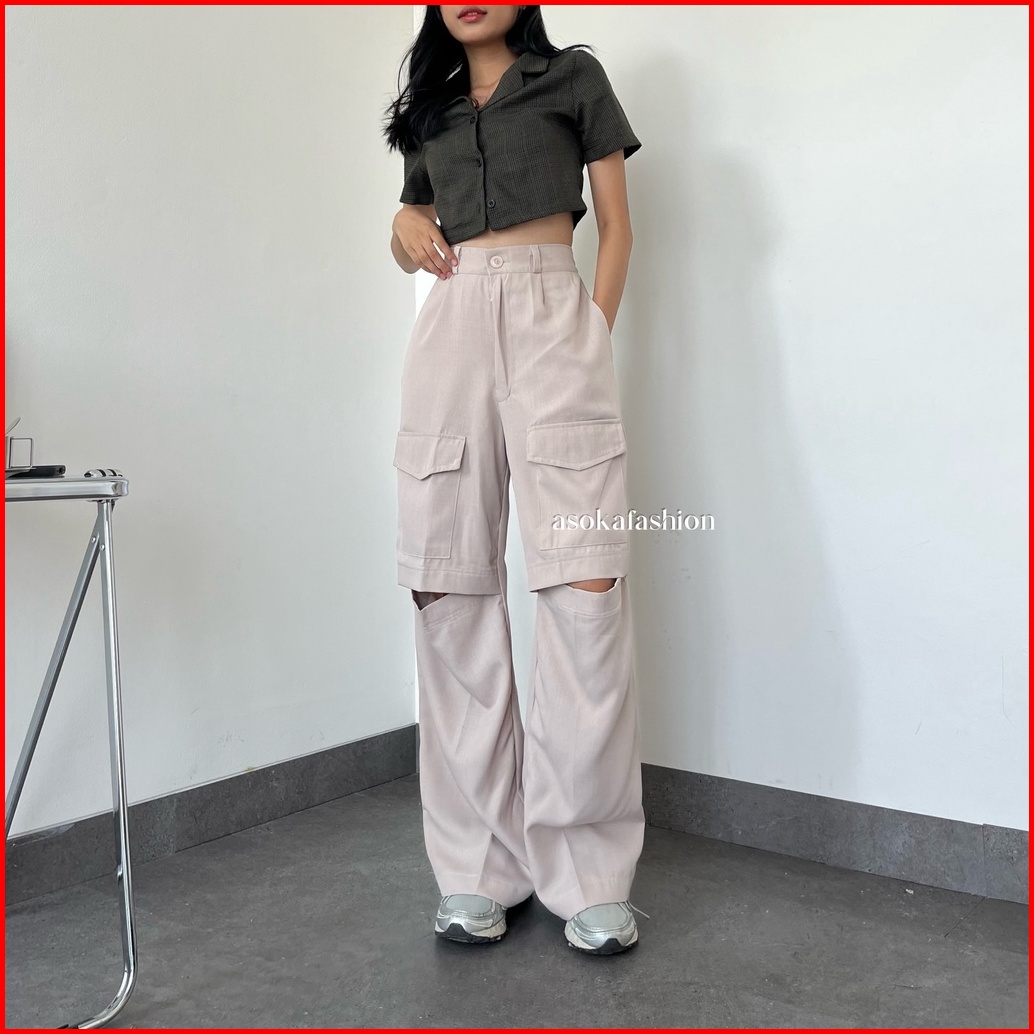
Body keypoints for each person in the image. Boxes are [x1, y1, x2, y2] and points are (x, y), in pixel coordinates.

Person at [382, 4, 645, 956]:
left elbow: (616, 227)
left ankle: (589, 870)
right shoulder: (431, 105)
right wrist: (404, 220)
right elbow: (414, 230)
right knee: (445, 587)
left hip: (553, 316)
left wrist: (589, 335)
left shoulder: (573, 77)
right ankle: (480, 865)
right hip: (451, 328)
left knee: (586, 589)